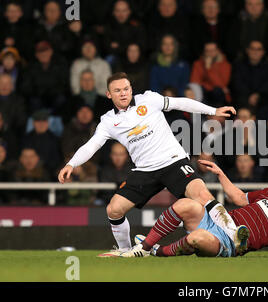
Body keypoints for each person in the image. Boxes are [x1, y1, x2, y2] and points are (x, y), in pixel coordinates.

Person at [58, 72, 248, 256]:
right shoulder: (108, 121)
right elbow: (92, 145)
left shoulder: (148, 99)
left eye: (126, 88)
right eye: (117, 90)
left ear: (131, 89)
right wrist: (72, 164)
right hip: (145, 171)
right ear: (109, 94)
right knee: (114, 209)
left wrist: (213, 111)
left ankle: (234, 234)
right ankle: (125, 250)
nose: (123, 93)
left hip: (173, 162)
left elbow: (179, 102)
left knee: (202, 194)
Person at [119, 159, 268, 257]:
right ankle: (145, 247)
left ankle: (156, 252)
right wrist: (220, 173)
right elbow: (237, 197)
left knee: (196, 238)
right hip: (216, 219)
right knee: (184, 204)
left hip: (226, 243)